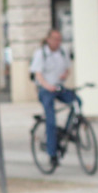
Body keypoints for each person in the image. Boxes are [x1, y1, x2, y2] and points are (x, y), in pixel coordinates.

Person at [30, 28, 75, 166]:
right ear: (48, 39)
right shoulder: (41, 54)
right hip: (45, 89)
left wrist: (65, 75)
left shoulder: (63, 51)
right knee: (51, 119)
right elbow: (37, 74)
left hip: (59, 87)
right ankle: (52, 153)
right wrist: (47, 86)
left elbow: (68, 68)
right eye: (55, 39)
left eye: (59, 40)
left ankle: (67, 131)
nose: (57, 42)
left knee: (77, 102)